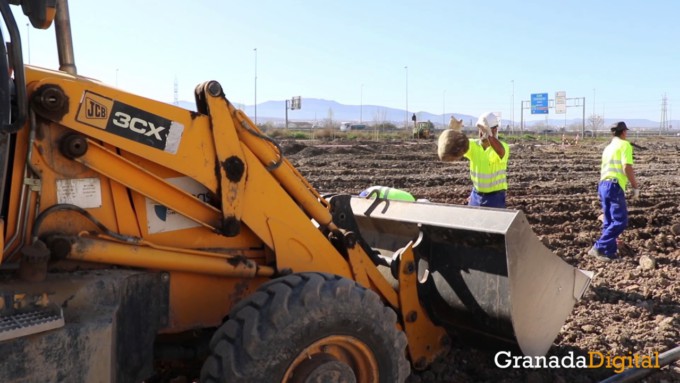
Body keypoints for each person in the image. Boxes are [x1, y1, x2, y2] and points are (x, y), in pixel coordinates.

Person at [588, 121, 639, 261]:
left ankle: (608, 252)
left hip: (603, 185)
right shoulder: (625, 145)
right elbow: (626, 167)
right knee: (620, 221)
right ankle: (598, 247)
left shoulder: (608, 148)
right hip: (614, 185)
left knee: (609, 221)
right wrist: (635, 186)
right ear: (623, 132)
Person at [462, 112, 510, 208]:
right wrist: (453, 133)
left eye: (484, 129)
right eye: (480, 129)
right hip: (476, 195)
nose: (481, 133)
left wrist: (489, 136)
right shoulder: (473, 145)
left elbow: (501, 152)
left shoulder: (502, 147)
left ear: (495, 130)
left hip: (495, 197)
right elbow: (458, 146)